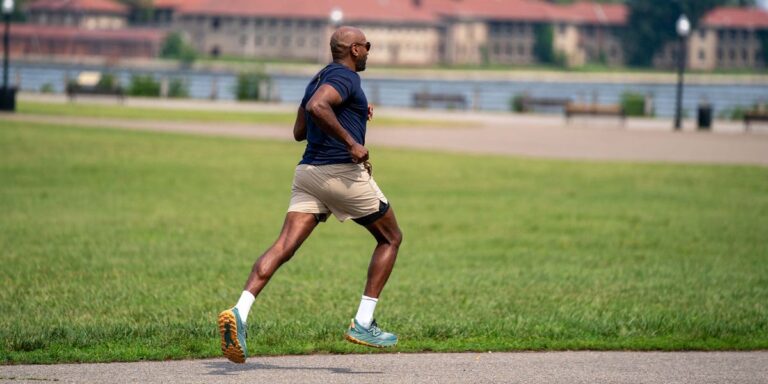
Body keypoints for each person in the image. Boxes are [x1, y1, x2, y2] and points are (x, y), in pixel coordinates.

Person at [218, 26, 403, 364]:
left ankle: (240, 311)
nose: (369, 52)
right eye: (368, 46)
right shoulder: (347, 79)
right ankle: (363, 321)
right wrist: (352, 143)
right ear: (354, 50)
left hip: (308, 175)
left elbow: (299, 131)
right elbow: (320, 108)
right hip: (340, 174)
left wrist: (356, 112)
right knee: (391, 238)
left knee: (283, 247)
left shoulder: (318, 79)